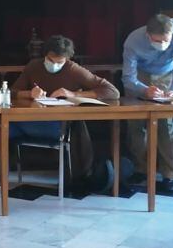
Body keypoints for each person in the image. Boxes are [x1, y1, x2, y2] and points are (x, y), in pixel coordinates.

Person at [10, 35, 120, 182]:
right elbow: (12, 92)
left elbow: (112, 91)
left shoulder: (72, 69)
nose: (54, 64)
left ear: (67, 59)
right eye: (50, 60)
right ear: (45, 55)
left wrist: (73, 94)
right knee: (1, 129)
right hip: (29, 121)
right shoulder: (33, 66)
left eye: (59, 61)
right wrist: (29, 93)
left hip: (58, 126)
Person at [123, 13, 173, 192]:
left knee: (166, 126)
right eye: (157, 41)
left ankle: (169, 175)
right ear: (148, 35)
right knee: (136, 125)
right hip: (140, 76)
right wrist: (144, 90)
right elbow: (128, 77)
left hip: (166, 75)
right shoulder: (133, 40)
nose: (162, 45)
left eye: (165, 41)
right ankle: (141, 169)